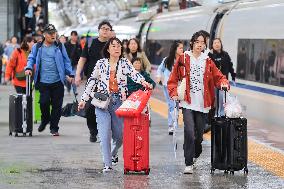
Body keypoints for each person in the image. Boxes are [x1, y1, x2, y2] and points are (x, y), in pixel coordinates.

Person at [78, 37, 152, 172]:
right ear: (108, 49)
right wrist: (83, 99)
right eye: (113, 46)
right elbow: (92, 81)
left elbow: (135, 74)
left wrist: (144, 82)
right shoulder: (101, 63)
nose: (117, 48)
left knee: (119, 136)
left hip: (118, 102)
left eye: (118, 46)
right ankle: (107, 164)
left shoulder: (124, 63)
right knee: (104, 134)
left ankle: (113, 153)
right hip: (101, 103)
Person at [167, 31, 229, 174]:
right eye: (197, 42)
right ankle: (188, 163)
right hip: (187, 102)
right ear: (192, 43)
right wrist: (174, 93)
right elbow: (172, 79)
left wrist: (224, 83)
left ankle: (194, 153)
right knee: (189, 131)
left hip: (202, 103)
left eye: (202, 43)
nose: (200, 45)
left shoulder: (207, 60)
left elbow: (218, 77)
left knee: (199, 135)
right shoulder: (183, 58)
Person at [25, 24, 74, 136]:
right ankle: (45, 119)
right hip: (43, 81)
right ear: (44, 35)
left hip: (57, 81)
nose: (53, 35)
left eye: (54, 33)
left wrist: (70, 73)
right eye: (50, 33)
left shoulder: (59, 46)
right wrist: (28, 67)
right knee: (43, 102)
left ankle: (54, 128)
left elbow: (66, 61)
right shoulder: (38, 47)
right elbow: (31, 58)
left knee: (57, 106)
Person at [75, 20, 112, 143]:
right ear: (99, 30)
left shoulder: (113, 45)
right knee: (90, 108)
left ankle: (105, 132)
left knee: (108, 108)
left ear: (110, 31)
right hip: (92, 82)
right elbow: (82, 59)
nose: (105, 30)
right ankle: (93, 131)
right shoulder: (91, 43)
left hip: (109, 83)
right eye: (103, 28)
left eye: (108, 29)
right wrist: (77, 75)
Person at [156, 40, 183, 135]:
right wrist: (159, 77)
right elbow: (160, 69)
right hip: (168, 85)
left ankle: (173, 122)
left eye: (182, 48)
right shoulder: (167, 60)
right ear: (175, 49)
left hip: (179, 86)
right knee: (172, 104)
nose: (182, 50)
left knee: (176, 105)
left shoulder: (184, 60)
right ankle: (171, 125)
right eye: (180, 48)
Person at [209, 38, 236, 116]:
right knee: (215, 101)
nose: (217, 44)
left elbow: (230, 66)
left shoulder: (225, 55)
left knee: (223, 100)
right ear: (212, 45)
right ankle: (216, 116)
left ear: (221, 44)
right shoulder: (210, 56)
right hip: (214, 83)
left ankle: (221, 115)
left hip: (223, 82)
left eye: (218, 42)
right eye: (215, 43)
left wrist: (233, 75)